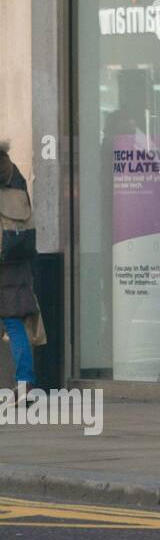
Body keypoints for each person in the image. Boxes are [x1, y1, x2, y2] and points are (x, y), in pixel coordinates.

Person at [0, 141, 40, 402]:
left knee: (12, 325)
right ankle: (25, 383)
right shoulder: (15, 176)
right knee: (15, 324)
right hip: (16, 258)